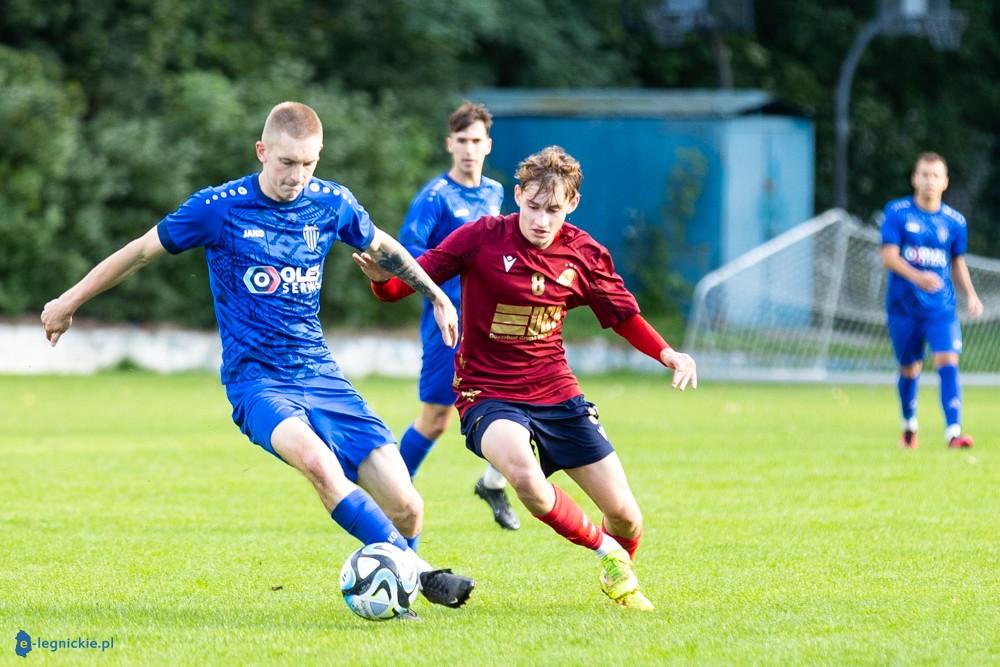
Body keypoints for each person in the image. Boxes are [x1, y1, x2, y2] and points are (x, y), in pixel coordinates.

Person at [40, 101, 474, 614]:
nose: (297, 176)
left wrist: (436, 295)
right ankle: (423, 576)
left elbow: (384, 247)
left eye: (309, 163)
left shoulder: (331, 203)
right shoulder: (218, 208)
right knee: (317, 462)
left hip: (321, 374)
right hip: (257, 382)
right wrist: (68, 302)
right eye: (287, 163)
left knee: (407, 506)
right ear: (262, 151)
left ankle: (400, 596)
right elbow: (138, 251)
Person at [353, 146, 697, 611]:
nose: (540, 219)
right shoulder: (480, 238)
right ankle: (606, 551)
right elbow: (405, 284)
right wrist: (380, 277)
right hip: (487, 394)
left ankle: (619, 572)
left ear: (571, 205)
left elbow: (622, 316)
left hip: (556, 392)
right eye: (533, 206)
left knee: (625, 516)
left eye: (553, 210)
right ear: (517, 196)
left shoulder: (584, 254)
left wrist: (667, 353)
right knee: (525, 480)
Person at [397, 101, 520, 531]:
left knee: (518, 406)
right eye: (462, 141)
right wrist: (437, 295)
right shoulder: (434, 197)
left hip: (494, 321)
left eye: (477, 141)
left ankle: (492, 483)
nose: (469, 149)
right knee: (435, 420)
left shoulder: (495, 192)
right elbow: (407, 255)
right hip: (447, 323)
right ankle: (391, 489)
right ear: (450, 144)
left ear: (488, 145)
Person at [880, 151, 983, 449]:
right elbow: (888, 257)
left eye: (935, 175)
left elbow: (957, 262)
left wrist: (971, 295)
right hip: (904, 307)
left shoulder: (954, 221)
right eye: (924, 174)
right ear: (915, 178)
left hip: (941, 307)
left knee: (947, 359)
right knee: (910, 369)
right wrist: (917, 277)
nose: (929, 181)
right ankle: (909, 425)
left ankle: (953, 432)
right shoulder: (898, 213)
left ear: (945, 182)